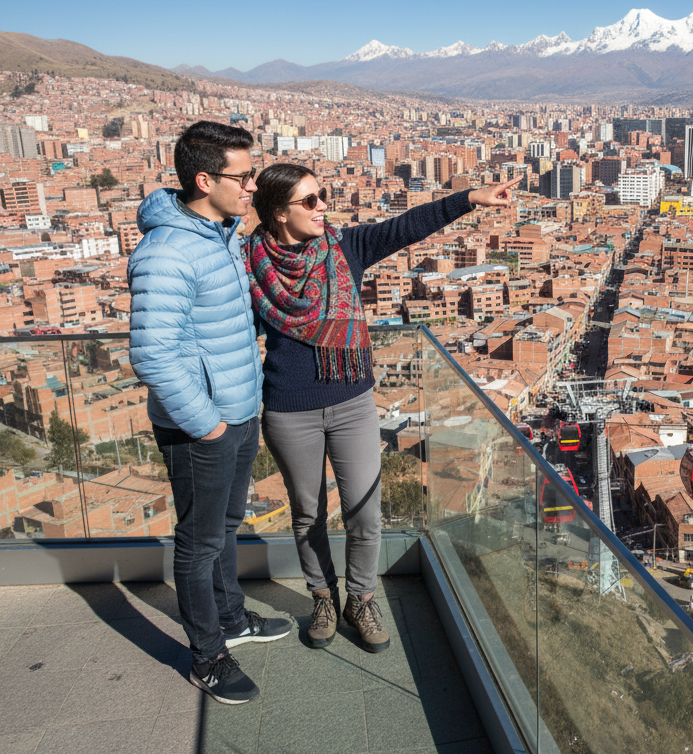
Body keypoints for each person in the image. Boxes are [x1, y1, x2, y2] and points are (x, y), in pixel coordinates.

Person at [245, 163, 520, 652]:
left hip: (351, 401)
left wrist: (471, 197)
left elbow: (406, 226)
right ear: (278, 213)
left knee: (364, 512)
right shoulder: (247, 265)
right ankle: (322, 598)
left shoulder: (343, 248)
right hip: (289, 409)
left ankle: (361, 598)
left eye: (322, 195)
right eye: (310, 201)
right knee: (307, 515)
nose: (323, 206)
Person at [129, 121, 292, 706]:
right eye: (243, 176)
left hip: (237, 413)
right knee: (198, 545)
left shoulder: (217, 233)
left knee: (224, 529)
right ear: (205, 179)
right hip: (202, 427)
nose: (252, 186)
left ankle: (232, 620)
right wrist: (208, 423)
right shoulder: (168, 251)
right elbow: (153, 352)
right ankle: (208, 657)